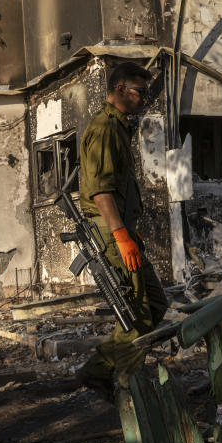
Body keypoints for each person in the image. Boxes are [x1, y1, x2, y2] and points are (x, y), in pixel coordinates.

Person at [75, 62, 168, 400]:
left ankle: (97, 370)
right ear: (118, 90)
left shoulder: (118, 127)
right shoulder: (104, 128)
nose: (144, 99)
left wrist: (128, 231)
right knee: (139, 308)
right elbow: (101, 191)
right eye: (139, 92)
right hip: (109, 231)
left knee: (154, 303)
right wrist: (120, 235)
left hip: (119, 230)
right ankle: (131, 387)